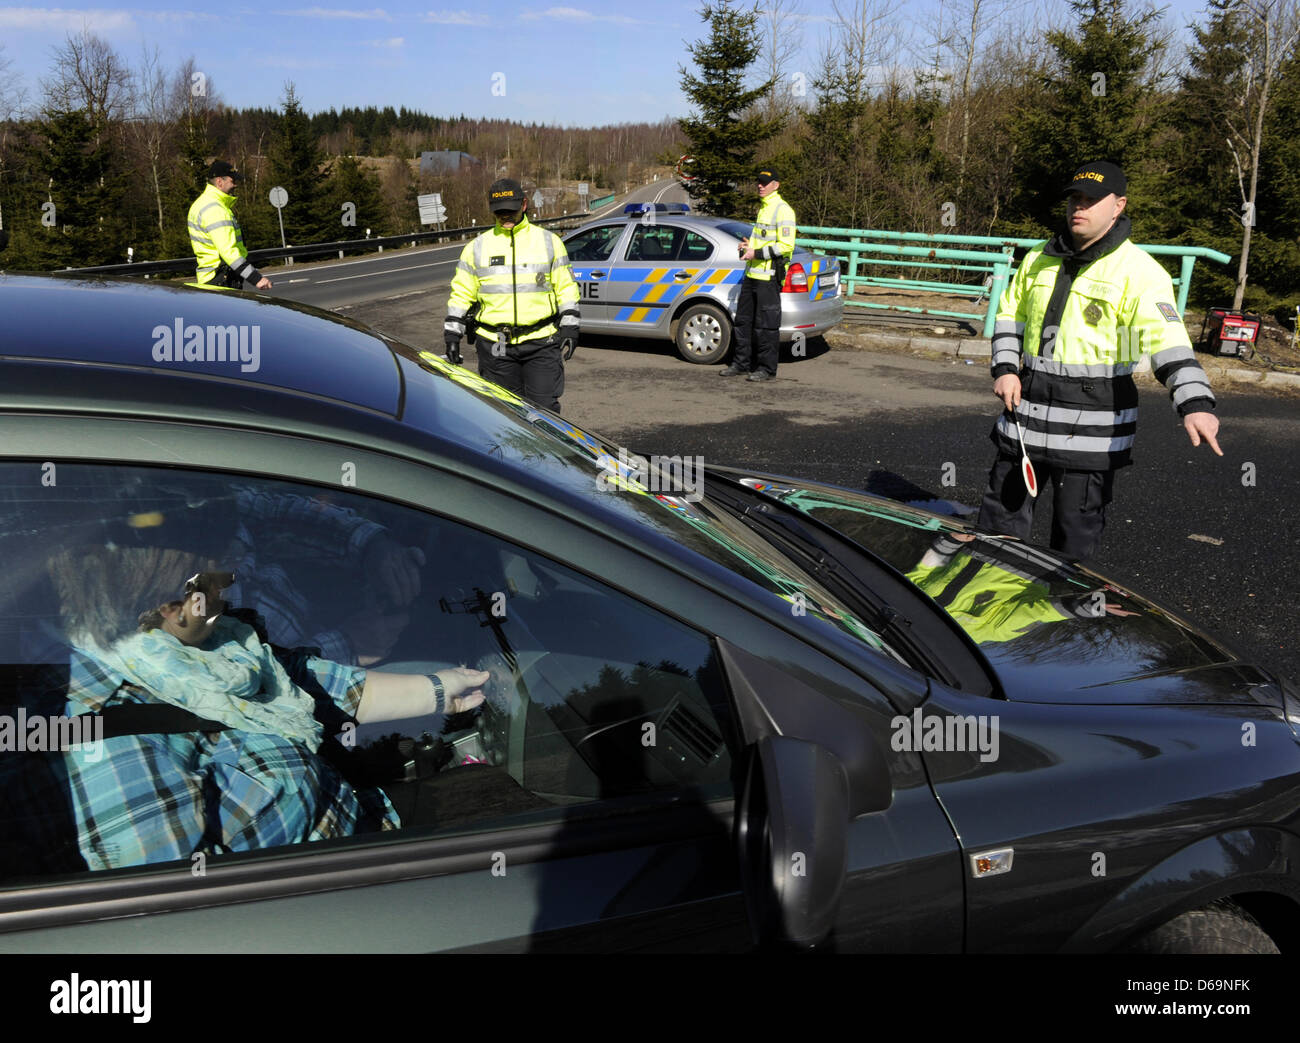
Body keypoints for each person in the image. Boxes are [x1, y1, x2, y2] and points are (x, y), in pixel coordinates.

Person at [48, 562, 488, 870]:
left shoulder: (189, 642)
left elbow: (288, 680)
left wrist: (435, 691)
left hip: (365, 817)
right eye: (216, 584)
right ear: (171, 604)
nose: (227, 591)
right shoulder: (111, 754)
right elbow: (191, 923)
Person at [975, 160, 1222, 560]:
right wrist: (1005, 368)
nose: (1079, 207)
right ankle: (983, 613)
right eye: (1075, 198)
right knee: (997, 529)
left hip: (1092, 428)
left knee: (1074, 539)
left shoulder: (1141, 273)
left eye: (1092, 200)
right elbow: (1009, 315)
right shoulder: (1039, 257)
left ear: (1118, 205)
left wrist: (1194, 404)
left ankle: (1066, 620)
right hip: (1025, 419)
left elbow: (1168, 341)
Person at [443, 179, 580, 413]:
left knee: (545, 413)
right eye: (500, 212)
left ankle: (544, 451)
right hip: (496, 346)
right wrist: (452, 334)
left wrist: (570, 325)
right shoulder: (477, 248)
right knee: (505, 415)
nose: (506, 216)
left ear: (524, 205)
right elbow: (462, 293)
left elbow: (565, 287)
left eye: (511, 210)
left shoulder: (550, 243)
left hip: (541, 342)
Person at [720, 166, 797, 382]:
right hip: (752, 275)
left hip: (769, 277)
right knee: (743, 322)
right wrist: (748, 246)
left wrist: (756, 252)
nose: (760, 186)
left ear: (776, 185)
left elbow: (786, 246)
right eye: (759, 182)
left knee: (767, 326)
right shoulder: (763, 208)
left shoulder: (783, 210)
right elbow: (764, 239)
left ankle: (766, 369)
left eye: (765, 182)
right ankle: (741, 363)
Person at [187, 160, 273, 291]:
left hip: (213, 277)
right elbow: (228, 251)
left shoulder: (202, 203)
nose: (235, 185)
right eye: (233, 181)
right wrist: (256, 278)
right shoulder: (215, 209)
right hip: (221, 278)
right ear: (219, 182)